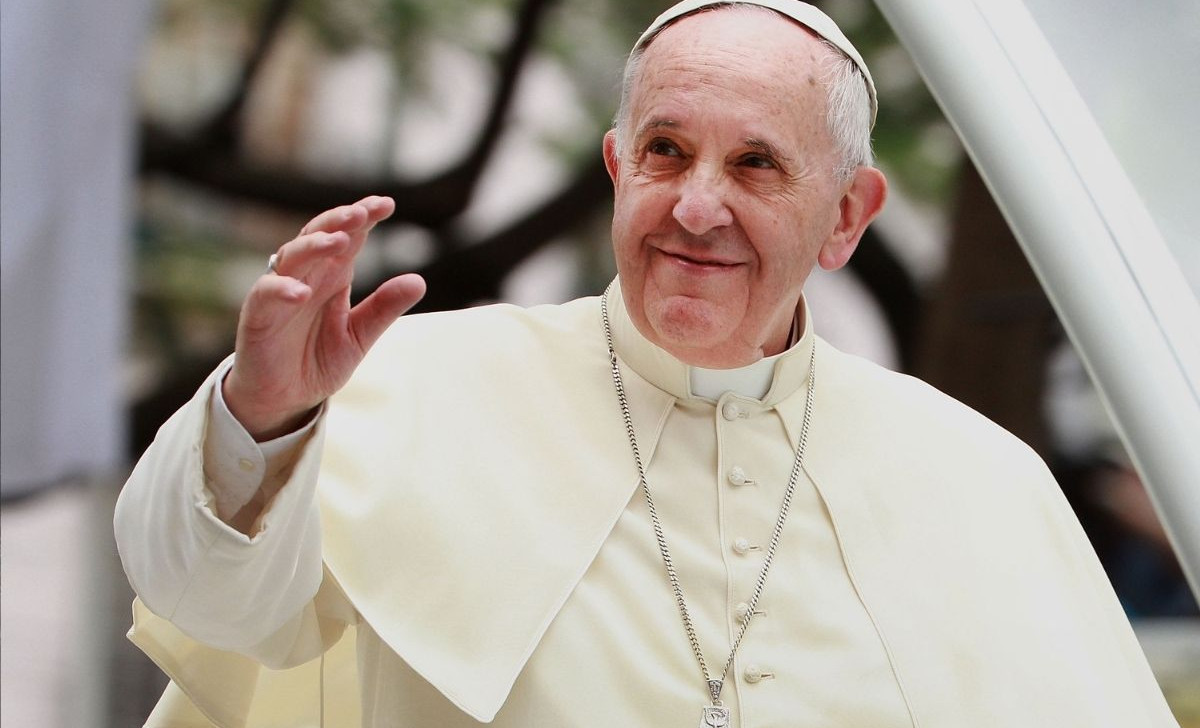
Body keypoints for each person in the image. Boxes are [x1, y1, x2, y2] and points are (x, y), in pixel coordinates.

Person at [115, 1, 1179, 726]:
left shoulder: (977, 477)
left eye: (756, 162)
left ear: (847, 214)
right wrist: (259, 417)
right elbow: (209, 607)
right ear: (621, 167)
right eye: (667, 151)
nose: (698, 205)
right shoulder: (408, 384)